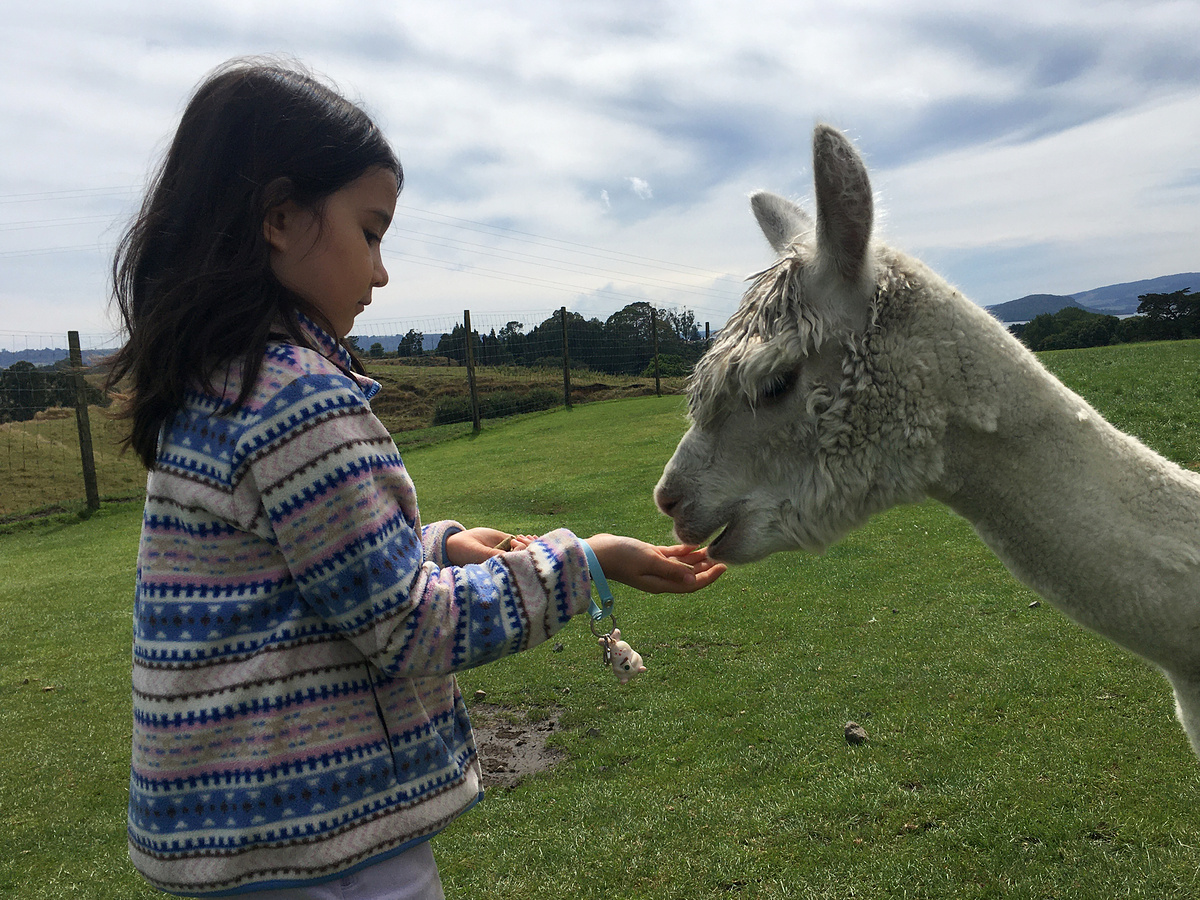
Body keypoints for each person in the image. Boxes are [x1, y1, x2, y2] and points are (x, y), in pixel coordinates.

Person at [107, 58, 724, 899]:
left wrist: (441, 545)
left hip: (239, 841)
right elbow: (409, 626)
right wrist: (588, 560)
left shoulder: (217, 385)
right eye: (371, 231)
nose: (381, 270)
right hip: (323, 844)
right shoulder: (294, 397)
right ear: (280, 217)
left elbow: (316, 574)